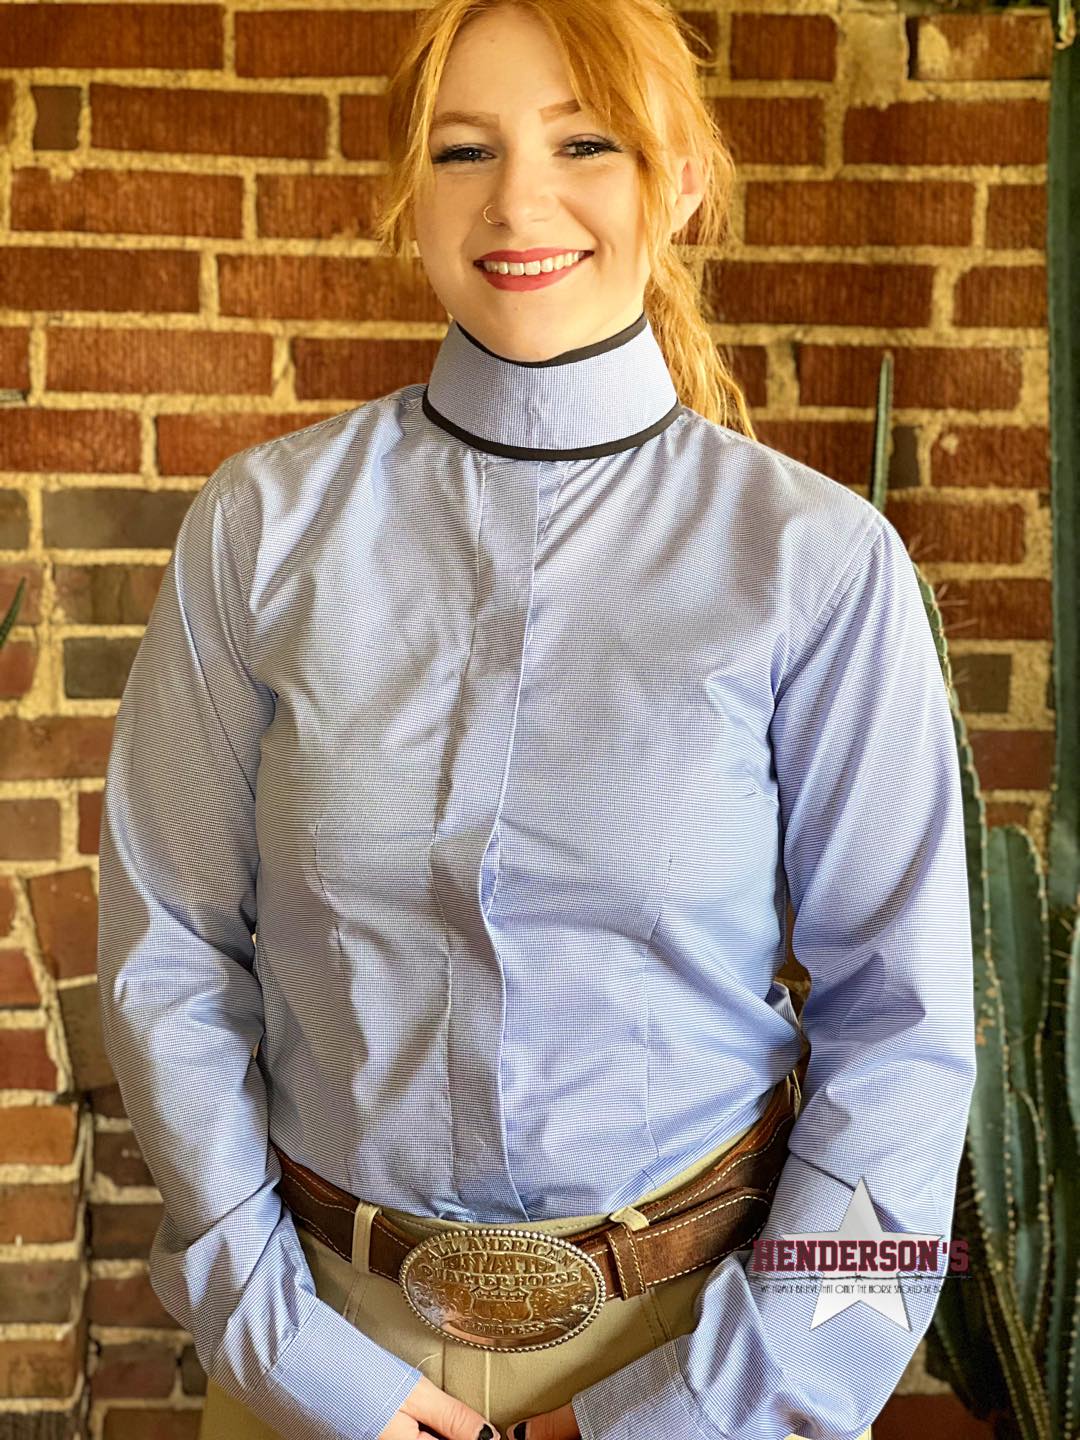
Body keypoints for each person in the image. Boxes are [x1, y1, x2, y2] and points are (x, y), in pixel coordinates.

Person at [95, 0, 978, 1437]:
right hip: (321, 1350)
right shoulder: (259, 530)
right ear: (410, 192)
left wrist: (719, 1404)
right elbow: (168, 958)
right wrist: (290, 1354)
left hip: (698, 1360)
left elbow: (908, 1039)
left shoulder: (817, 565)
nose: (517, 201)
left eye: (584, 144)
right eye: (464, 150)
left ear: (679, 179)